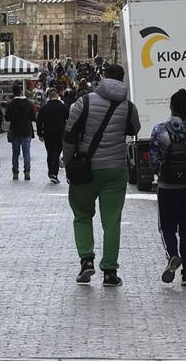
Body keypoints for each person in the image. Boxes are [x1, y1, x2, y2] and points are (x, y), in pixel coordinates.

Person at [63, 64, 140, 287]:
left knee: (82, 214)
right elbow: (134, 129)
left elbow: (69, 137)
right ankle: (109, 272)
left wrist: (69, 163)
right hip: (115, 170)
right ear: (122, 79)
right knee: (112, 221)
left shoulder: (83, 102)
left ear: (104, 78)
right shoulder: (128, 106)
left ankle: (87, 260)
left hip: (86, 169)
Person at [149, 89, 186, 286]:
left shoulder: (159, 130)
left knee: (166, 226)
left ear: (171, 107)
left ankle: (173, 255)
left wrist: (162, 172)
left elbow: (153, 159)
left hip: (167, 186)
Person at [37, 89, 69, 184]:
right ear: (57, 96)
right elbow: (69, 120)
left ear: (49, 97)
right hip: (60, 134)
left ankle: (51, 172)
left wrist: (40, 134)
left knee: (50, 153)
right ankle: (53, 173)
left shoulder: (44, 108)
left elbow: (39, 122)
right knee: (56, 153)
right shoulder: (64, 107)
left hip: (48, 134)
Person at [5, 84, 36, 180]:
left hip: (15, 131)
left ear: (13, 93)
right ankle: (27, 172)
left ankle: (15, 173)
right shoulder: (29, 104)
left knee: (15, 154)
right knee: (26, 153)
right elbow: (33, 117)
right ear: (21, 92)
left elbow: (7, 118)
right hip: (26, 131)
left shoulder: (11, 104)